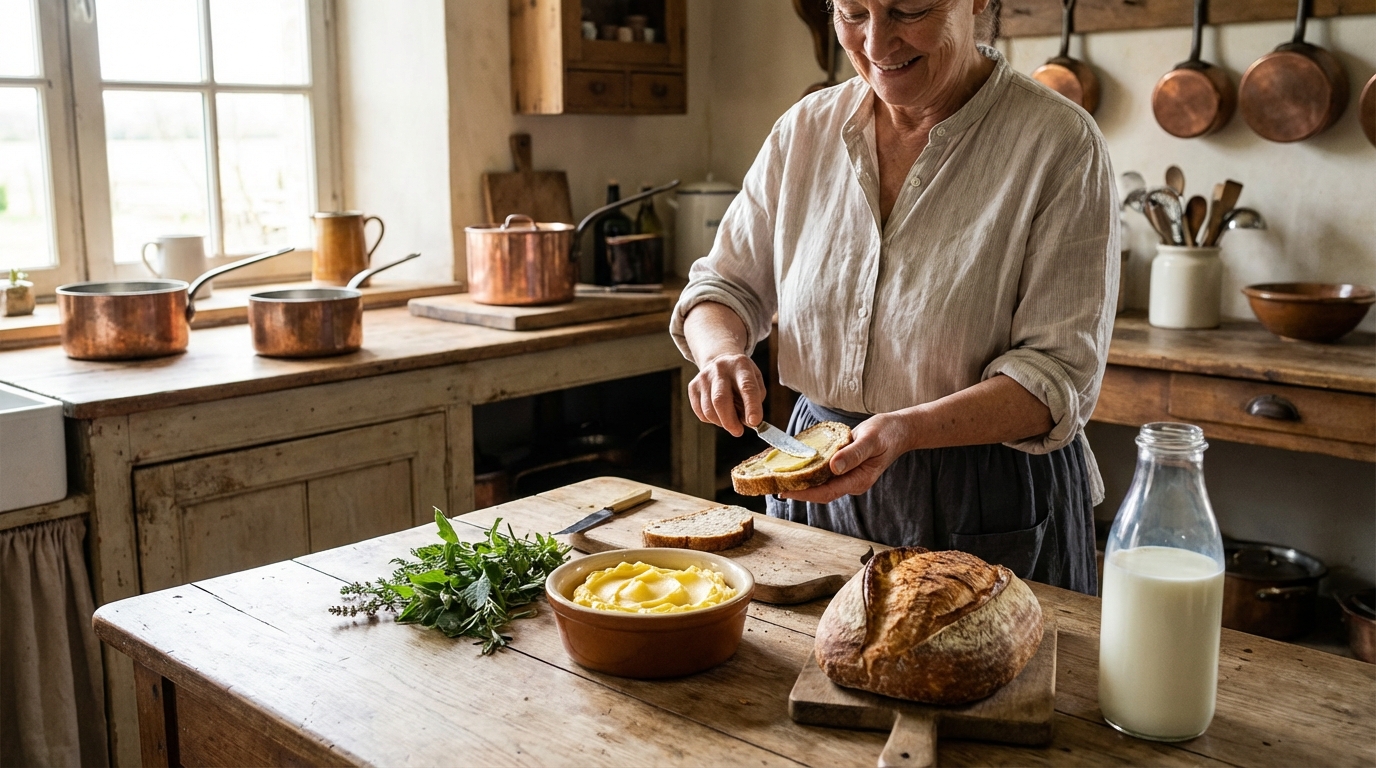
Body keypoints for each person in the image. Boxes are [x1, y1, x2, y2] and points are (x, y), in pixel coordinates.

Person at [670, 0, 1119, 594]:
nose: (877, 44)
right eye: (853, 12)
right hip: (817, 481)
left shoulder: (1059, 142)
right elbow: (721, 288)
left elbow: (1056, 380)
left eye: (909, 10)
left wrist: (907, 430)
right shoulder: (805, 130)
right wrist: (720, 353)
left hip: (986, 492)